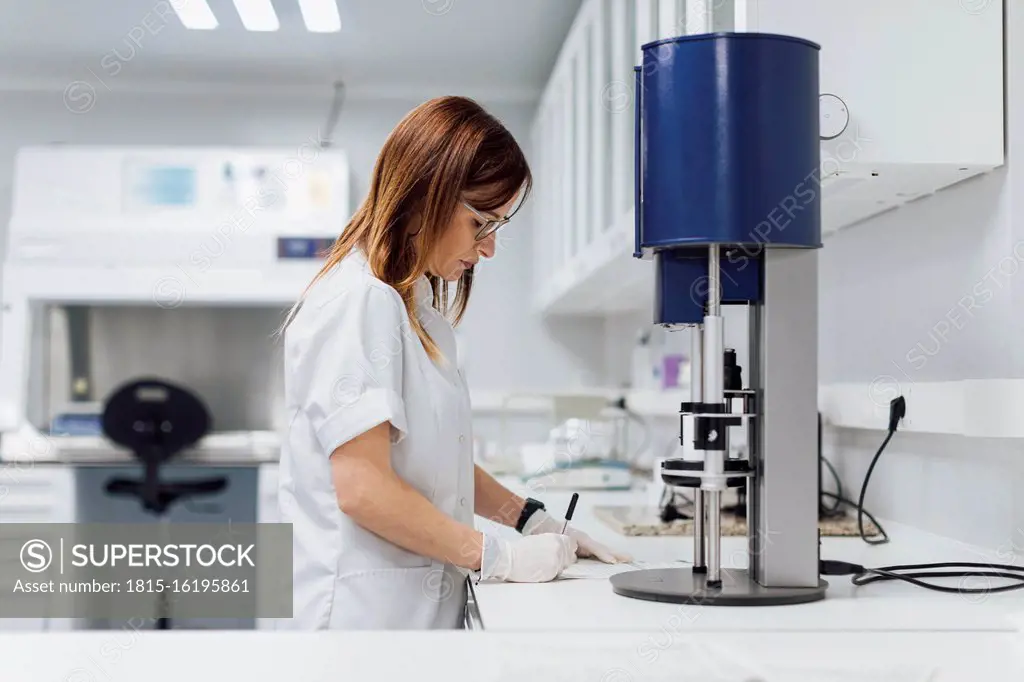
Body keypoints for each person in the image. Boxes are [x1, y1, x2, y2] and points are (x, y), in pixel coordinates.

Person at [276, 95, 630, 630]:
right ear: (425, 194)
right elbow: (363, 488)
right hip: (362, 626)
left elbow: (427, 456)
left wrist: (530, 518)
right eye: (480, 223)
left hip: (406, 615)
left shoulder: (407, 303)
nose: (486, 249)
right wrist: (498, 556)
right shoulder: (360, 301)